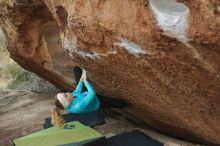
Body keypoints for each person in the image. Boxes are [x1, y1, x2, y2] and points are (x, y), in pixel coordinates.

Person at [52, 66, 126, 127]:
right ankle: (123, 104)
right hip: (97, 101)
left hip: (84, 94)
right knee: (121, 103)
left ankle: (81, 70)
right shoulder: (77, 106)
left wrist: (82, 78)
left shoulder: (70, 98)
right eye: (66, 95)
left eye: (65, 93)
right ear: (67, 101)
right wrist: (85, 81)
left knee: (76, 69)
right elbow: (92, 94)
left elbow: (77, 91)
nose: (68, 92)